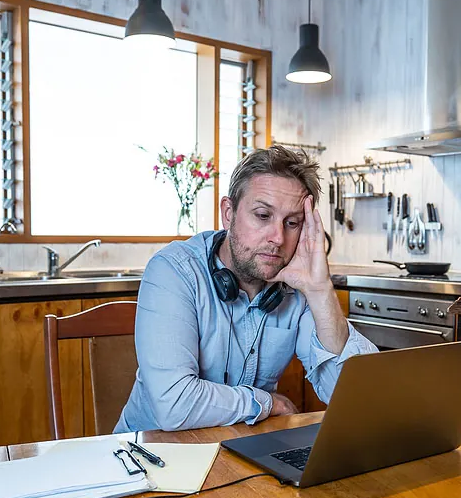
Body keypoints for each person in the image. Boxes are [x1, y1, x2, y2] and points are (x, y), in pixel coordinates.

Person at [114, 146, 378, 433]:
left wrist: (320, 290)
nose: (278, 238)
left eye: (292, 223)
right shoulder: (174, 271)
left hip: (238, 450)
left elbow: (356, 396)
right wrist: (265, 403)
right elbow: (174, 405)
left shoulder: (296, 282)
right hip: (149, 458)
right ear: (228, 213)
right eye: (263, 216)